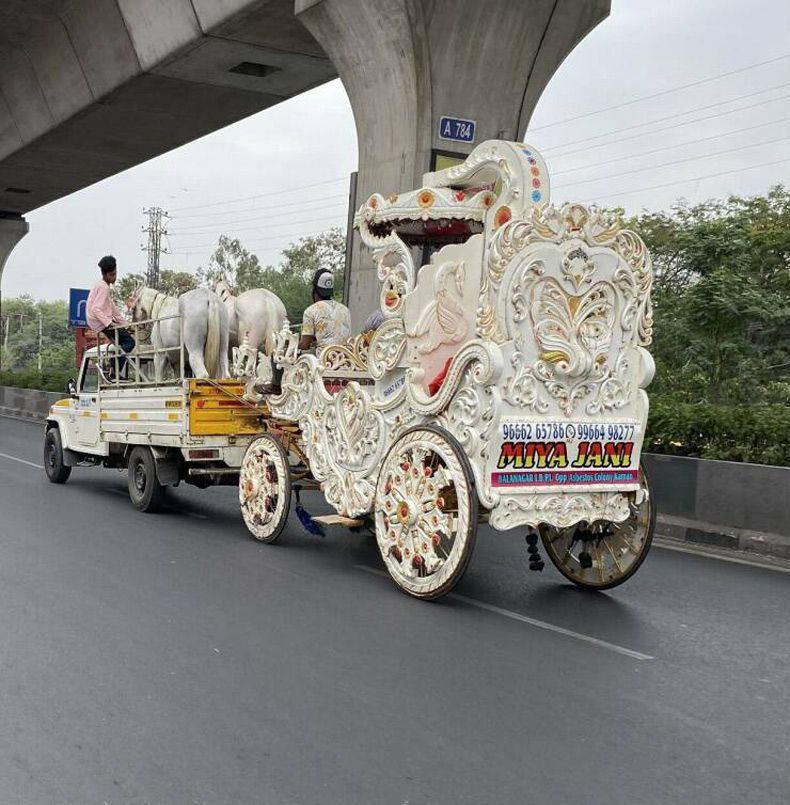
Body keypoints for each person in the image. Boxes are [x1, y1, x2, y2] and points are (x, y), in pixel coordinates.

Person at [258, 268, 351, 395]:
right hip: (344, 358)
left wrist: (290, 346)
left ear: (315, 290)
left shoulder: (311, 311)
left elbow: (305, 344)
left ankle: (276, 386)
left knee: (278, 354)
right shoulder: (345, 310)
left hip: (322, 358)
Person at [86, 255, 135, 377]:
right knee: (129, 342)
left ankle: (114, 366)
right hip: (100, 322)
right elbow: (96, 309)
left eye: (115, 274)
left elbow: (114, 310)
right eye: (113, 274)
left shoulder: (101, 285)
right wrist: (110, 323)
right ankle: (114, 367)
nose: (115, 277)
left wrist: (126, 324)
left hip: (99, 320)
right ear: (107, 275)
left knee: (122, 342)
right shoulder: (104, 287)